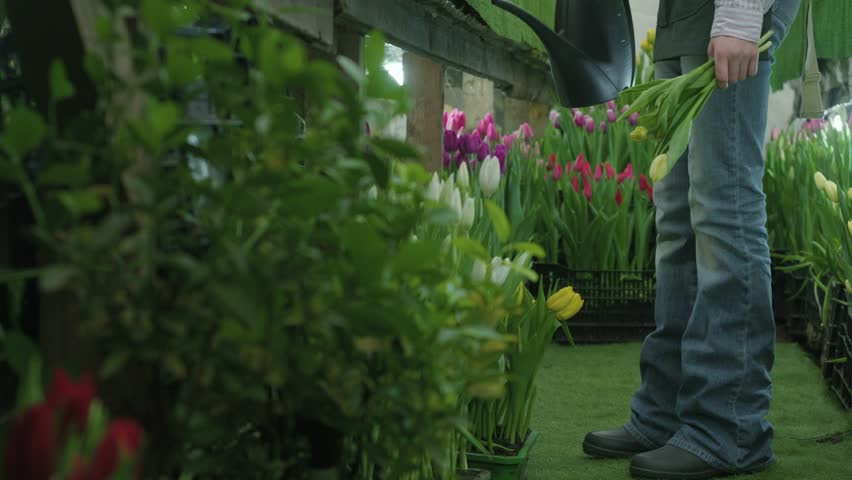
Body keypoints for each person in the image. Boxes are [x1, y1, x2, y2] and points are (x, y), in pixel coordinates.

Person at [581, 1, 802, 479]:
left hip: (727, 12)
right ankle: (667, 413)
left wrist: (741, 12)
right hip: (682, 16)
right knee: (678, 217)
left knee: (724, 206)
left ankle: (728, 427)